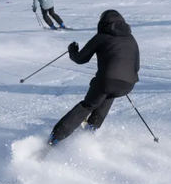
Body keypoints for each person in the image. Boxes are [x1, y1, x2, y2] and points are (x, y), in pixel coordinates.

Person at [48, 10, 140, 145]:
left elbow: (81, 59)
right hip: (128, 84)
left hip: (107, 81)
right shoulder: (131, 39)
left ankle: (55, 138)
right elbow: (136, 67)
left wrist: (72, 50)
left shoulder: (101, 37)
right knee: (108, 96)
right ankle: (91, 128)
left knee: (87, 105)